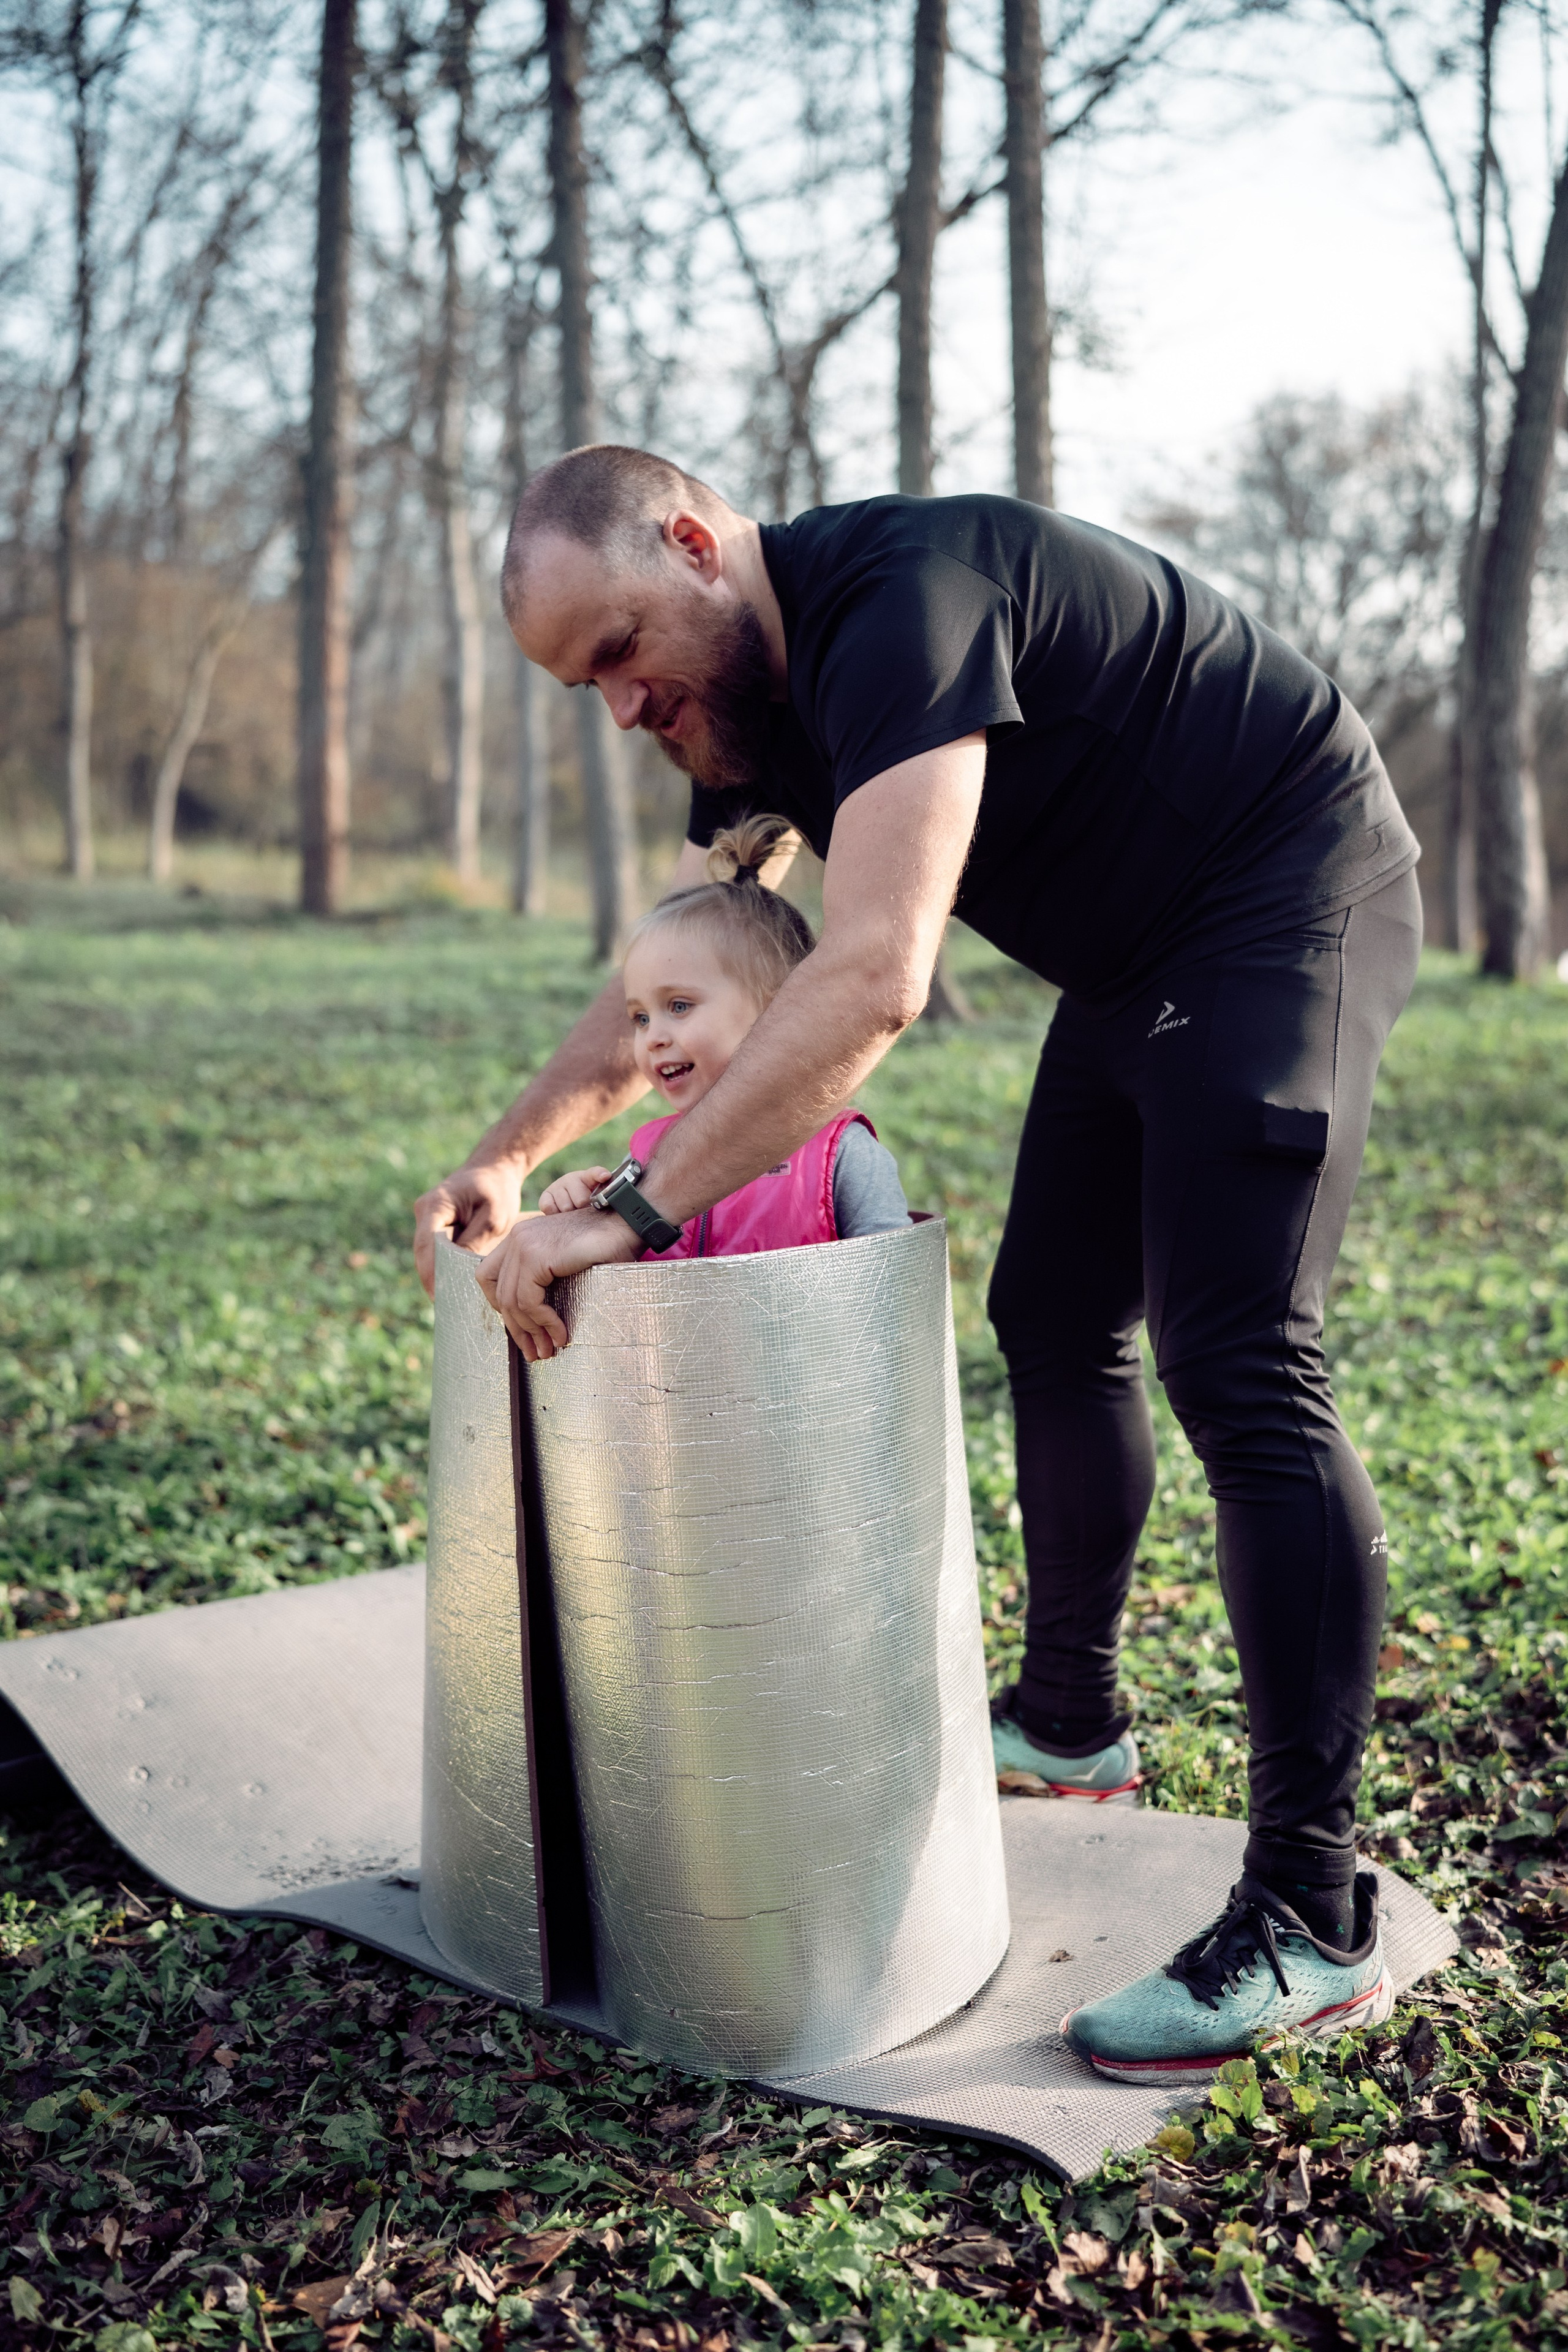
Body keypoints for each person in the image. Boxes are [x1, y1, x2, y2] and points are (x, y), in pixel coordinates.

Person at [415, 443, 1423, 2081]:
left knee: (1242, 1361)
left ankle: (1313, 1912)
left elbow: (875, 977)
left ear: (694, 545)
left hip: (1285, 881)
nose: (616, 709)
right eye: (577, 684)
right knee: (1051, 1314)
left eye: (615, 653)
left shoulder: (902, 608)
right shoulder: (747, 714)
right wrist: (514, 1149)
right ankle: (1076, 1728)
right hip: (1136, 956)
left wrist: (636, 1210)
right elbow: (694, 965)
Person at [536, 812, 910, 1255]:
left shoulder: (842, 1154)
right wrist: (583, 1211)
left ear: (777, 1010)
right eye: (640, 1018)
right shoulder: (648, 1161)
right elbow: (627, 1285)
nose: (653, 1037)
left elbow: (896, 1287)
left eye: (679, 1006)